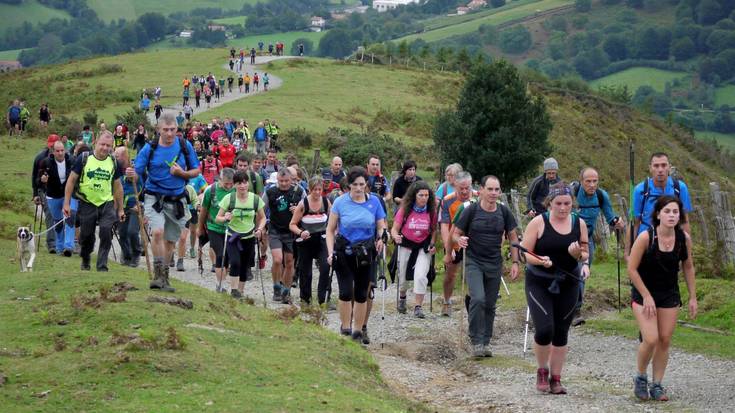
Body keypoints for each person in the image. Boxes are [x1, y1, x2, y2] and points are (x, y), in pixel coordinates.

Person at [520, 182, 589, 395]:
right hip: (539, 280)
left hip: (568, 281)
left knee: (561, 332)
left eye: (567, 203)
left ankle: (556, 378)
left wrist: (580, 256)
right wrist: (541, 261)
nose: (562, 208)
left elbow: (586, 251)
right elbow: (524, 253)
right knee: (544, 329)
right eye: (558, 203)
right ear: (549, 203)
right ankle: (542, 370)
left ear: (572, 203)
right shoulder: (538, 223)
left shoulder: (579, 223)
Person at [628, 195, 696, 402]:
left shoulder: (683, 239)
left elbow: (688, 266)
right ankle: (640, 377)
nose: (672, 215)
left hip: (669, 293)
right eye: (667, 211)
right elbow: (631, 268)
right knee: (651, 338)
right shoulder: (646, 237)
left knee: (665, 339)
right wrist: (646, 295)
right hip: (643, 293)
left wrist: (693, 297)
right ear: (658, 214)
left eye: (675, 212)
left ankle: (657, 384)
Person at [453, 175, 520, 357]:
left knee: (490, 304)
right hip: (473, 261)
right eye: (489, 189)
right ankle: (476, 341)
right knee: (479, 299)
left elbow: (513, 237)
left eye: (497, 190)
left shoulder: (504, 212)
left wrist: (515, 262)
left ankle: (485, 341)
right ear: (481, 190)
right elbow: (455, 234)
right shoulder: (471, 210)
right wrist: (460, 239)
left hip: (494, 263)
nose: (493, 193)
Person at [134, 113, 200, 292]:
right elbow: (137, 171)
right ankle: (157, 275)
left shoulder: (185, 146)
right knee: (157, 232)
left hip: (177, 200)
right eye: (165, 130)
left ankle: (164, 277)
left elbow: (196, 170)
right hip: (154, 197)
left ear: (177, 129)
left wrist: (183, 174)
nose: (169, 134)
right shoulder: (149, 148)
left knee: (170, 241)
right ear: (158, 130)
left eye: (172, 130)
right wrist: (131, 175)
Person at [327, 166, 387, 343]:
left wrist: (381, 238)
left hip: (366, 253)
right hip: (344, 252)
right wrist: (330, 253)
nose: (359, 188)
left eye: (362, 184)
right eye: (355, 185)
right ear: (349, 185)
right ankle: (345, 328)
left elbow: (381, 225)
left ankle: (357, 332)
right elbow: (330, 230)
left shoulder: (374, 202)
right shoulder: (340, 202)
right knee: (345, 292)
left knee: (362, 294)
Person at [570, 167, 626, 325]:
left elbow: (610, 217)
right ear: (581, 181)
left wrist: (617, 222)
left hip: (586, 240)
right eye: (588, 181)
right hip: (567, 239)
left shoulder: (601, 196)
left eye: (595, 181)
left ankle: (575, 311)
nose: (592, 185)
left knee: (581, 274)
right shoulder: (572, 193)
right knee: (566, 273)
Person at [63, 131, 125, 271]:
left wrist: (120, 208)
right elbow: (71, 180)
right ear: (96, 142)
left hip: (106, 203)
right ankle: (86, 259)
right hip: (87, 202)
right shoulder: (83, 158)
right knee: (86, 236)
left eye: (108, 146)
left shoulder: (114, 162)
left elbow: (118, 186)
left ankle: (102, 265)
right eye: (102, 144)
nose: (105, 148)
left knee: (106, 231)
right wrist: (66, 203)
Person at [391, 180, 437, 318]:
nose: (424, 198)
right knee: (403, 276)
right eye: (421, 195)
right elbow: (394, 229)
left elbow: (434, 230)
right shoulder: (405, 210)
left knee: (421, 275)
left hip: (423, 246)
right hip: (405, 244)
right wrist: (395, 237)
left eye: (427, 195)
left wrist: (433, 244)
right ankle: (403, 297)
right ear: (414, 196)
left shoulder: (431, 212)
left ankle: (418, 306)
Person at [289, 176, 331, 306]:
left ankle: (322, 299)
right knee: (306, 271)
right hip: (306, 240)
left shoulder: (326, 202)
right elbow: (292, 224)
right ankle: (305, 299)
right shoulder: (303, 204)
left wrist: (333, 231)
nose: (317, 192)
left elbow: (333, 219)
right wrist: (301, 232)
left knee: (325, 267)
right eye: (315, 190)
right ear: (309, 189)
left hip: (322, 239)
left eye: (320, 189)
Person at [264, 169, 305, 303]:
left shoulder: (299, 191)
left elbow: (308, 207)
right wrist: (262, 226)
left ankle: (286, 291)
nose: (284, 184)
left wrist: (299, 210)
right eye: (281, 181)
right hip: (275, 230)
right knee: (277, 260)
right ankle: (276, 286)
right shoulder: (270, 192)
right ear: (277, 180)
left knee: (289, 262)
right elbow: (260, 208)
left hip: (292, 232)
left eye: (286, 181)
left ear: (291, 179)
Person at [439, 171, 476, 316]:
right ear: (455, 186)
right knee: (450, 275)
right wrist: (448, 249)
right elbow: (444, 226)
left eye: (468, 187)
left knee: (471, 275)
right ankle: (447, 301)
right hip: (453, 241)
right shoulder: (448, 200)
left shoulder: (479, 197)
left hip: (473, 243)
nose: (465, 191)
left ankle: (472, 305)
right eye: (462, 188)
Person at [631, 152, 692, 240]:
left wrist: (687, 250)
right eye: (656, 166)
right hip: (647, 241)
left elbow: (684, 221)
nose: (660, 170)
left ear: (669, 167)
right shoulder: (640, 190)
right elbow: (634, 223)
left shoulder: (680, 188)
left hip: (673, 241)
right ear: (650, 168)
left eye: (664, 165)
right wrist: (628, 252)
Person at [37, 141, 77, 256]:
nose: (60, 153)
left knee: (70, 217)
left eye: (62, 150)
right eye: (57, 151)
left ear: (65, 150)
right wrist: (42, 180)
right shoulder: (46, 162)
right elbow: (38, 179)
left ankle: (68, 246)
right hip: (53, 196)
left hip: (68, 195)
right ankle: (59, 246)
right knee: (58, 222)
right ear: (53, 152)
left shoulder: (71, 161)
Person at [200, 168, 236, 290]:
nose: (229, 186)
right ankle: (220, 285)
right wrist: (200, 228)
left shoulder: (237, 191)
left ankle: (221, 282)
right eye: (226, 183)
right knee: (220, 255)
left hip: (231, 228)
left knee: (227, 257)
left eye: (231, 184)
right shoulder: (211, 190)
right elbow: (204, 210)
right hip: (213, 227)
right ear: (220, 180)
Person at [32, 134, 60, 253]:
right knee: (50, 215)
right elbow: (34, 176)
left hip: (60, 191)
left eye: (54, 146)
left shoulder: (64, 157)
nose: (52, 149)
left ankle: (60, 242)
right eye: (51, 146)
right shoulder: (40, 158)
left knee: (60, 217)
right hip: (44, 190)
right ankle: (52, 244)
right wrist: (35, 194)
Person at [116, 146, 143, 267]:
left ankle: (136, 253)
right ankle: (127, 256)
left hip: (135, 207)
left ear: (125, 156)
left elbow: (136, 178)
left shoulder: (134, 167)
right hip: (121, 207)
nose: (115, 158)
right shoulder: (115, 168)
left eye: (117, 156)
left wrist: (132, 175)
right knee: (122, 234)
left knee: (132, 232)